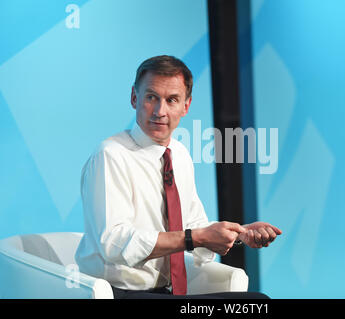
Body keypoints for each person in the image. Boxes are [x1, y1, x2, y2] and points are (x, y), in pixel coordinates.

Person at [75, 55, 282, 299]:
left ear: (185, 106)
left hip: (166, 292)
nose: (160, 111)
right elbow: (113, 243)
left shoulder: (179, 155)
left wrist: (238, 233)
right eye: (151, 97)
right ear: (134, 98)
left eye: (171, 100)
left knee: (255, 302)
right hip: (120, 292)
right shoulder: (110, 155)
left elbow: (194, 226)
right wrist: (195, 237)